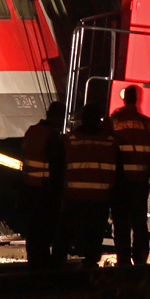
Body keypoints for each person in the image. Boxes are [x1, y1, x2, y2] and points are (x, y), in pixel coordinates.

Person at [52, 103, 118, 268]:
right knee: (95, 233)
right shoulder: (110, 141)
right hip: (99, 198)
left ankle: (56, 264)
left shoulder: (69, 140)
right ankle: (90, 265)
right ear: (100, 120)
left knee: (65, 233)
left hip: (73, 196)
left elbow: (58, 168)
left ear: (82, 119)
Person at [107, 86, 150, 266]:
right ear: (138, 99)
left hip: (119, 182)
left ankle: (123, 260)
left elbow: (105, 150)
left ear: (124, 99)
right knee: (139, 222)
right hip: (140, 181)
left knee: (121, 222)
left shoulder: (112, 123)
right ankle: (140, 260)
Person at [19, 101, 66, 269]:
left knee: (33, 232)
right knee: (45, 230)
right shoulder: (52, 135)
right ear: (60, 118)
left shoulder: (32, 131)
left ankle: (34, 263)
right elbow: (56, 165)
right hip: (45, 190)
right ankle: (44, 266)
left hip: (29, 187)